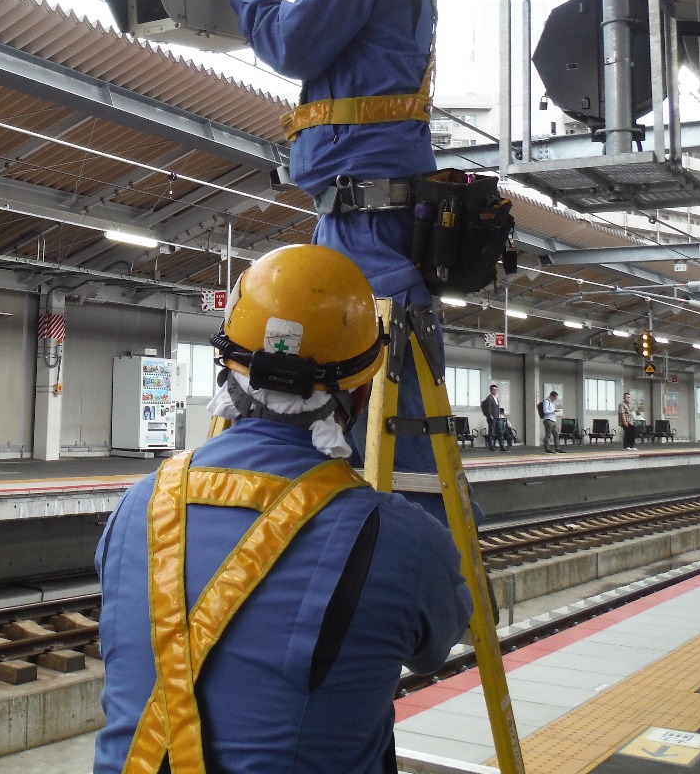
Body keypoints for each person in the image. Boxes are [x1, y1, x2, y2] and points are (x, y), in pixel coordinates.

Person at [94, 245, 471, 774]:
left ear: (228, 372)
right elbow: (437, 647)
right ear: (360, 398)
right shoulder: (400, 538)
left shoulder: (140, 504)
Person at [196, 0, 444, 486]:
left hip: (370, 218)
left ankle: (407, 558)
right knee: (353, 400)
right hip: (360, 205)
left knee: (380, 416)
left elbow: (294, 44)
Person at [480, 383, 509, 451]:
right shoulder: (489, 398)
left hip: (497, 417)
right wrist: (490, 415)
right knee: (491, 432)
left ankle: (501, 446)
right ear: (491, 390)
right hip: (492, 418)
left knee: (500, 431)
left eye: (496, 390)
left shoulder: (496, 398)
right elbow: (488, 408)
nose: (495, 391)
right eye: (494, 390)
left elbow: (497, 408)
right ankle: (491, 447)